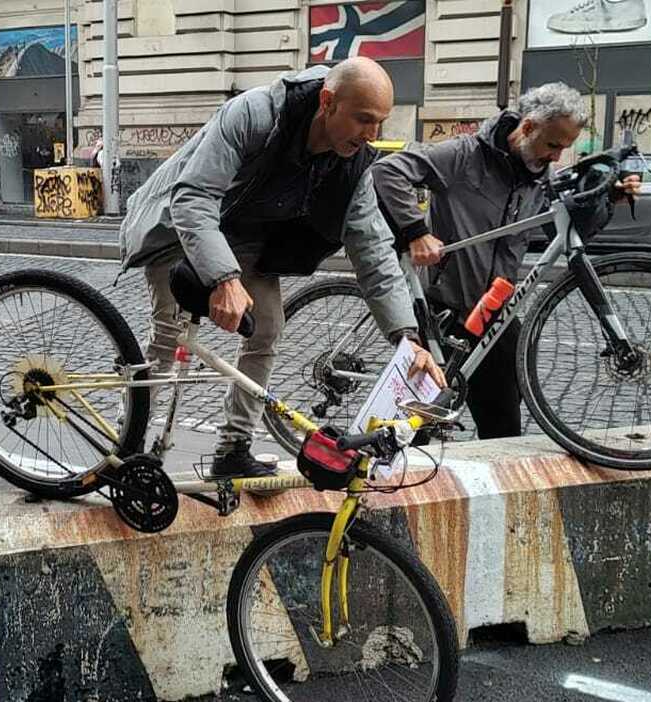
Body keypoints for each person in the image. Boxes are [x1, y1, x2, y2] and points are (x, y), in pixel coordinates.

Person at [119, 57, 445, 478]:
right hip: (178, 227)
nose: (372, 135)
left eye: (380, 122)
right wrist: (224, 278)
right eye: (363, 119)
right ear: (327, 101)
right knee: (167, 338)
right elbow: (193, 198)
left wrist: (408, 338)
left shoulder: (355, 164)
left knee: (267, 327)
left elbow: (374, 249)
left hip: (248, 238)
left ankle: (233, 449)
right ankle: (127, 444)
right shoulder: (255, 114)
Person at [371, 82, 641, 440]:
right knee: (410, 438)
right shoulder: (463, 155)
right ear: (527, 127)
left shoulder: (538, 176)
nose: (557, 157)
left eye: (565, 148)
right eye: (553, 145)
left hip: (496, 314)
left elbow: (568, 232)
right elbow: (388, 172)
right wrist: (415, 232)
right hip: (443, 308)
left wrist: (609, 202)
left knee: (503, 432)